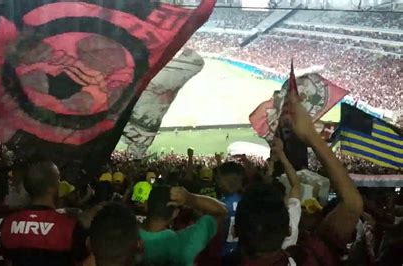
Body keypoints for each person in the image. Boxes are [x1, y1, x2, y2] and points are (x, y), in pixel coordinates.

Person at [235, 90, 363, 265]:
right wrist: (310, 135)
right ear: (289, 230)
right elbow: (352, 204)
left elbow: (352, 205)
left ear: (235, 232)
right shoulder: (310, 256)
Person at [0, 160, 89, 266]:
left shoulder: (9, 223)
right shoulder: (70, 226)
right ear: (51, 189)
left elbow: (8, 262)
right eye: (58, 180)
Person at [141, 186, 227, 265]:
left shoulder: (129, 235)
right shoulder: (185, 242)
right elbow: (221, 211)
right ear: (175, 213)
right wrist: (189, 198)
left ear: (145, 205)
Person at [216, 162, 245, 261]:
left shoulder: (220, 205)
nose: (217, 181)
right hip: (239, 255)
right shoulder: (245, 201)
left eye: (219, 178)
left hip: (222, 256)